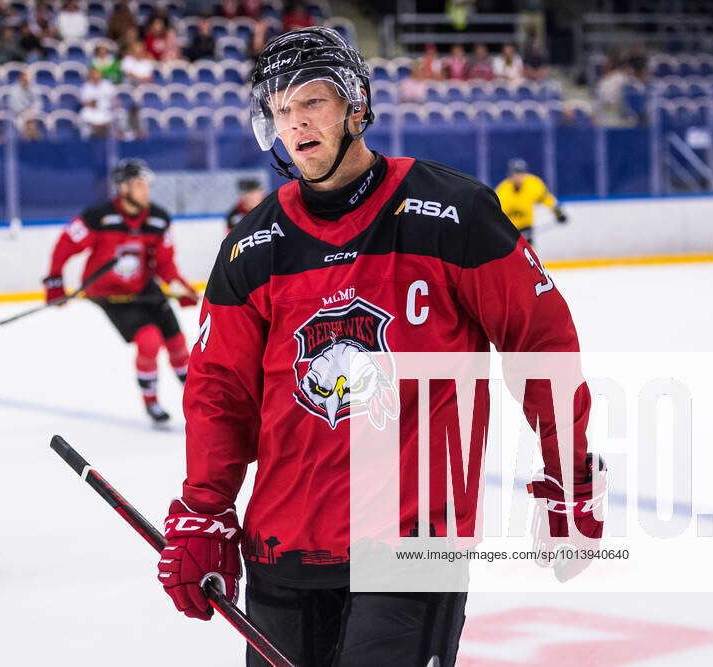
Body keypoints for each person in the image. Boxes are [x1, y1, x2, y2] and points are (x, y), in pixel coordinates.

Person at [155, 28, 603, 666]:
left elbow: (543, 345)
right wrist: (205, 507)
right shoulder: (251, 245)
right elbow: (220, 392)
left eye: (310, 100)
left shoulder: (455, 212)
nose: (295, 122)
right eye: (279, 110)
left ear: (355, 106)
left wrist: (571, 474)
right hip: (283, 547)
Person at [42, 159, 199, 425]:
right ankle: (152, 402)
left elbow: (164, 261)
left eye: (146, 185)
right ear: (123, 188)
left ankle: (197, 400)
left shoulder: (158, 219)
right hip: (108, 293)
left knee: (178, 343)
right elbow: (65, 244)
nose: (145, 191)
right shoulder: (98, 217)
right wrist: (54, 281)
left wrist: (178, 285)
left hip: (143, 287)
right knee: (149, 341)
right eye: (139, 185)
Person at [494, 158, 567, 245]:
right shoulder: (502, 190)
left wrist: (558, 213)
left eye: (521, 173)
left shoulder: (533, 185)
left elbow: (547, 199)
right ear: (510, 174)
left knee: (527, 255)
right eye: (515, 173)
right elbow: (495, 211)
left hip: (526, 227)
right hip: (508, 229)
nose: (518, 176)